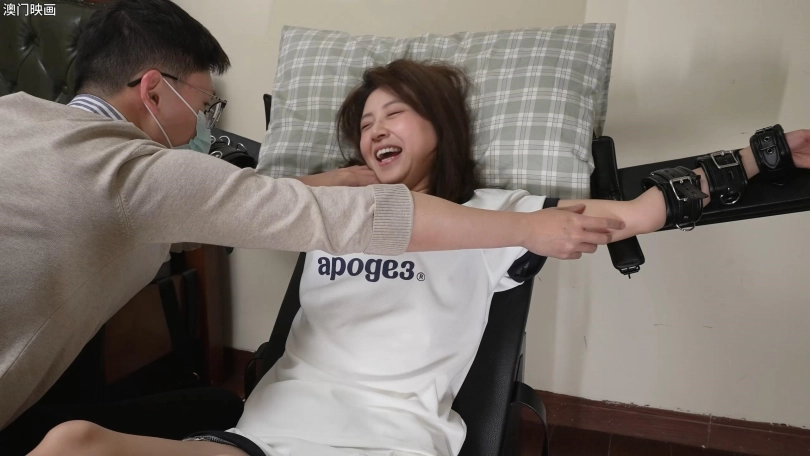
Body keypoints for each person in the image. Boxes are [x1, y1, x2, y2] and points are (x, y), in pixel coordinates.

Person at [28, 59, 810, 456]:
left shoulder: (501, 215)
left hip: (388, 436)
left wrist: (756, 159)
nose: (376, 130)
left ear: (441, 126)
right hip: (271, 429)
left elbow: (634, 212)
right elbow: (247, 200)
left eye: (395, 113)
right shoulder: (331, 208)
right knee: (73, 445)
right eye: (366, 123)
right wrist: (331, 180)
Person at [0, 0, 625, 445]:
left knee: (198, 410)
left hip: (390, 425)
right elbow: (359, 218)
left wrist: (317, 185)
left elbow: (209, 212)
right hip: (283, 414)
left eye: (396, 114)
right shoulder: (144, 176)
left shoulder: (14, 115)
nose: (209, 124)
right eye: (206, 104)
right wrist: (529, 230)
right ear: (155, 92)